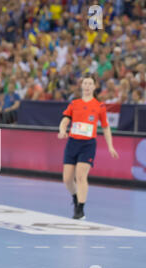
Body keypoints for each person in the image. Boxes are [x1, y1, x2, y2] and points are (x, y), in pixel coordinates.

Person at [58, 74, 119, 220]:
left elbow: (105, 127)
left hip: (88, 144)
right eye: (85, 83)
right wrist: (62, 130)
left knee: (80, 176)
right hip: (72, 143)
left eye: (90, 84)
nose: (87, 86)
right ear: (81, 86)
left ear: (94, 86)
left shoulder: (99, 106)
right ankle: (75, 197)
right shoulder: (74, 103)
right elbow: (65, 120)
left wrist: (110, 146)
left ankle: (80, 209)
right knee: (67, 179)